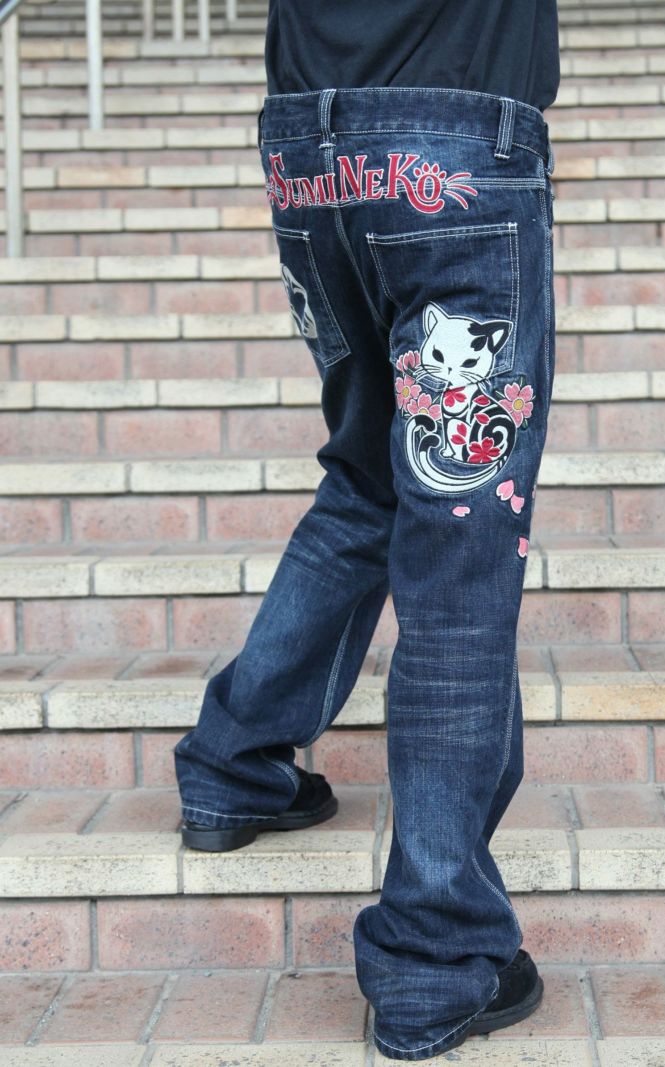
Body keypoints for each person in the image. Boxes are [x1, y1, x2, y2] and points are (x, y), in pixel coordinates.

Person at [173, 1, 560, 1059]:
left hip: (314, 156)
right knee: (459, 539)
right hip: (454, 148)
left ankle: (235, 759)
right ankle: (436, 949)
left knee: (369, 478)